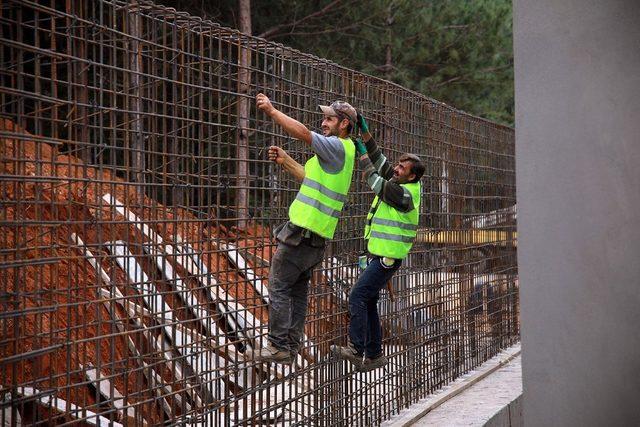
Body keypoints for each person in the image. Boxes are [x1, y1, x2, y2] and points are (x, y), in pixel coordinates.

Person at [247, 93, 357, 364]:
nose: (324, 122)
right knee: (297, 292)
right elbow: (309, 178)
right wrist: (285, 161)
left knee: (279, 286)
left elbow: (303, 134)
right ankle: (290, 346)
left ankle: (277, 346)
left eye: (330, 119)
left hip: (302, 233)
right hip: (315, 236)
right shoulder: (340, 153)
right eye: (324, 118)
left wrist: (273, 112)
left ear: (344, 124)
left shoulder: (338, 146)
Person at [331, 114, 425, 372]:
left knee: (357, 296)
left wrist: (359, 152)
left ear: (412, 176)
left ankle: (356, 347)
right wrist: (366, 133)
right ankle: (374, 354)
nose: (396, 169)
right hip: (379, 255)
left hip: (387, 258)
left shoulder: (403, 193)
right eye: (398, 165)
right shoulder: (400, 181)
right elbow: (380, 159)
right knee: (369, 300)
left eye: (402, 169)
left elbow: (373, 178)